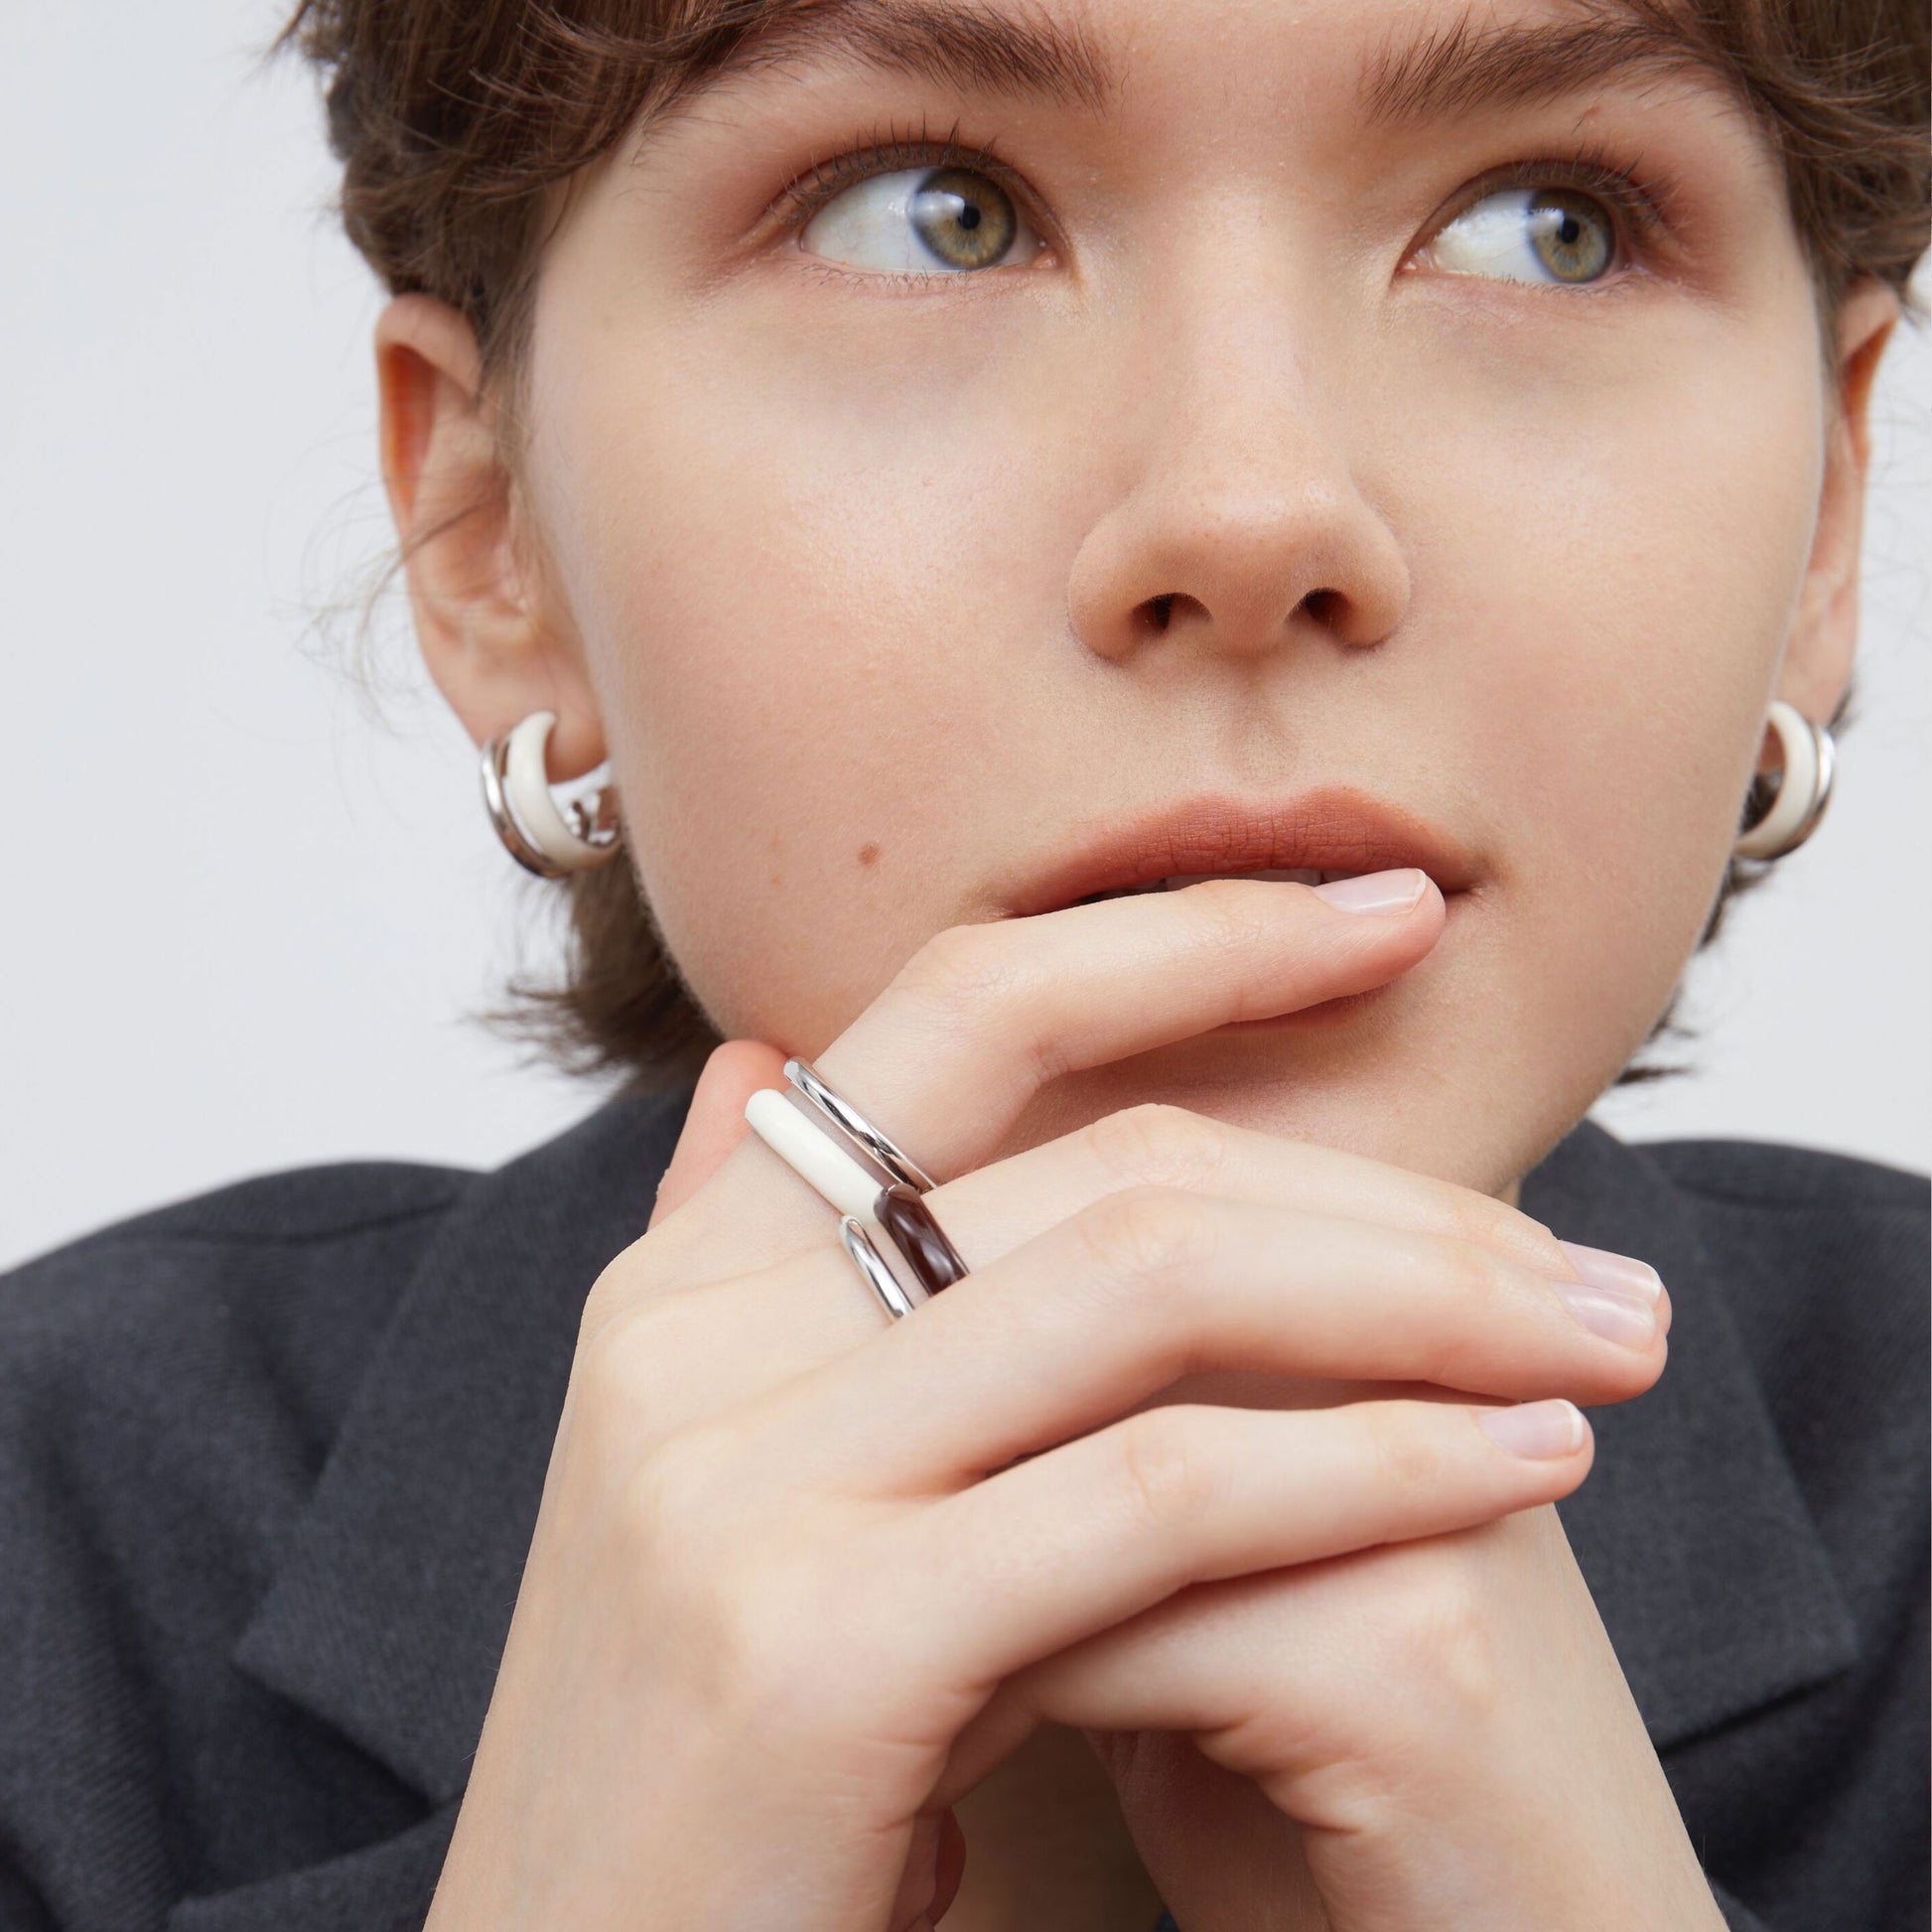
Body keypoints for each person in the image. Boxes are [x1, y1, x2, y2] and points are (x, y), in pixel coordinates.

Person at [3, 0, 1926, 1927]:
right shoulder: (52, 1566)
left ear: (1828, 516)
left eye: (1547, 221)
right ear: (493, 532)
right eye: (933, 214)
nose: (1248, 515)